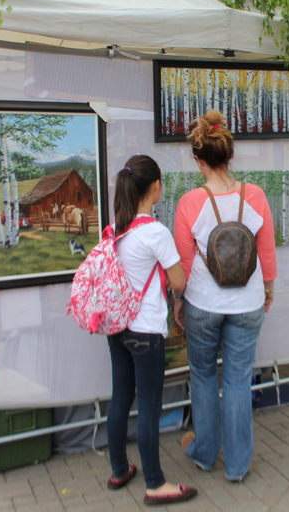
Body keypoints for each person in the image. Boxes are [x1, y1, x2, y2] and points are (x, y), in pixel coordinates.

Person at [173, 109, 277, 482]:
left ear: (199, 160)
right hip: (248, 303)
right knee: (237, 379)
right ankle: (237, 465)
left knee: (202, 375)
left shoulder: (189, 203)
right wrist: (267, 290)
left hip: (203, 303)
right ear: (229, 155)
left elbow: (184, 266)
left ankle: (204, 453)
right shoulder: (256, 195)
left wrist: (178, 301)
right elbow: (266, 252)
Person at [104, 155, 197, 505]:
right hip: (145, 333)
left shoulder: (117, 229)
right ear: (156, 187)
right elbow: (179, 281)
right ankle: (155, 484)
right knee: (148, 407)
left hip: (117, 329)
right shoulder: (155, 232)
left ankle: (119, 470)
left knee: (120, 400)